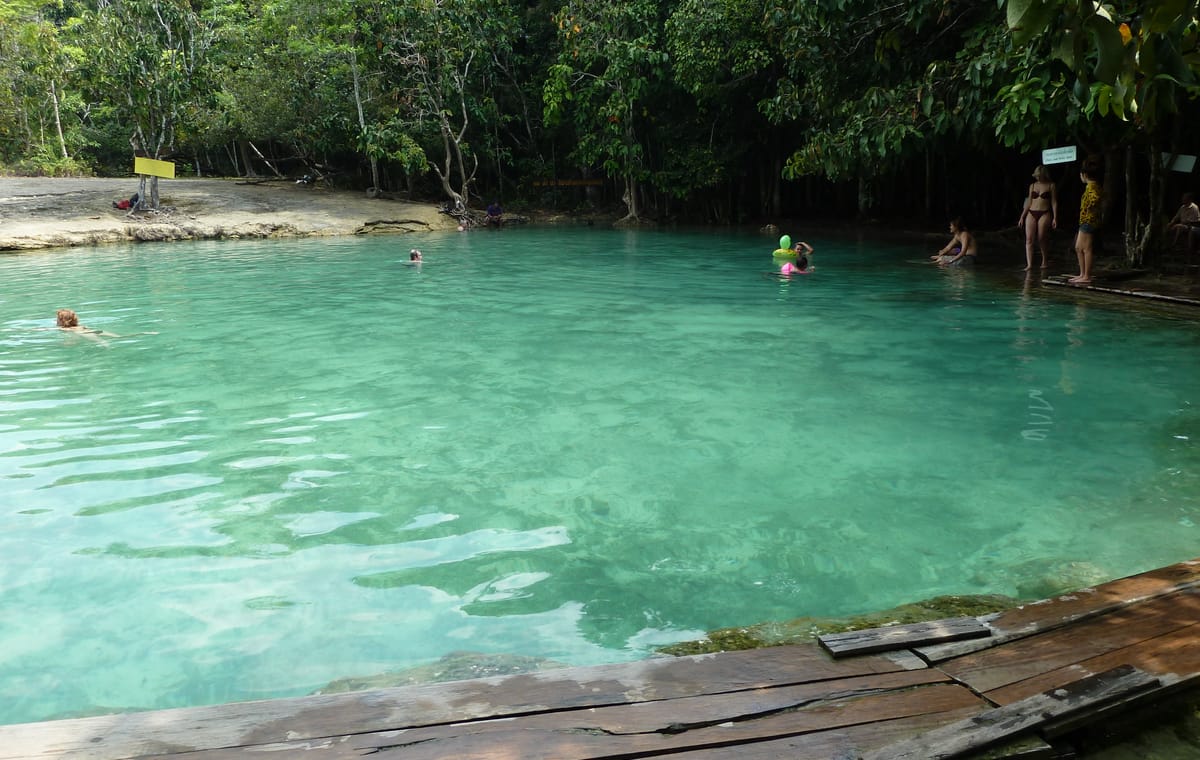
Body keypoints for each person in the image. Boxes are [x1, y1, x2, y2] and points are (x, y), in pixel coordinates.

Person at [1018, 165, 1058, 271]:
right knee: (1029, 239)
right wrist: (1022, 217)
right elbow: (1029, 202)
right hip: (1031, 212)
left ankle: (1044, 260)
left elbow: (1054, 202)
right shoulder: (1032, 185)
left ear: (1044, 175)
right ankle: (1029, 264)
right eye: (1037, 176)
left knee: (1041, 237)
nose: (1038, 177)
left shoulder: (1051, 185)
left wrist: (1055, 217)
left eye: (1040, 176)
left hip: (1045, 212)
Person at [1070, 164, 1103, 284]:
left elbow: (1096, 198)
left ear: (1085, 175)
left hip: (1089, 220)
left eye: (1081, 175)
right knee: (1078, 247)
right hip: (1085, 220)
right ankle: (1082, 273)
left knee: (1086, 248)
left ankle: (1087, 275)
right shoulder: (1090, 186)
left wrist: (1090, 207)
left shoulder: (1092, 186)